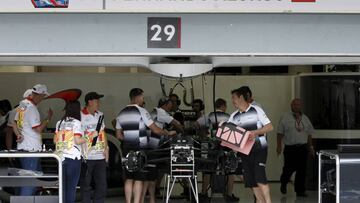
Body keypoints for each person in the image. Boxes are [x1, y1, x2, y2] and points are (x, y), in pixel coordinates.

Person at [115, 88, 176, 203]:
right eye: (142, 97)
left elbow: (118, 135)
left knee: (128, 178)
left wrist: (128, 139)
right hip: (140, 149)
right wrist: (168, 133)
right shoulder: (142, 111)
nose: (143, 99)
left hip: (126, 149)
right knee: (138, 179)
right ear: (137, 98)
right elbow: (156, 130)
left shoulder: (121, 112)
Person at [227, 86, 273, 203]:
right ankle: (260, 201)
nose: (232, 101)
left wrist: (256, 132)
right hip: (244, 151)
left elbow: (269, 127)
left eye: (234, 98)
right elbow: (229, 136)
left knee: (260, 178)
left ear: (241, 97)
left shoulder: (256, 109)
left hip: (259, 149)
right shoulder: (233, 116)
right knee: (252, 182)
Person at [141, 97, 184, 203]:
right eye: (170, 104)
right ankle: (148, 196)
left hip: (149, 144)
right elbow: (176, 123)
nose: (172, 106)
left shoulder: (154, 111)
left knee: (151, 170)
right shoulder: (161, 113)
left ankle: (150, 195)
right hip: (153, 145)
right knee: (151, 171)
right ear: (165, 105)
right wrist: (184, 131)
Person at [14, 84, 53, 196]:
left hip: (23, 148)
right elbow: (39, 129)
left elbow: (14, 123)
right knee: (29, 182)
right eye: (43, 96)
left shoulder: (22, 105)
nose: (43, 99)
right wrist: (48, 118)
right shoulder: (32, 109)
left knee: (33, 179)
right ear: (40, 95)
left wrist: (18, 135)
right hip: (31, 150)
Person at [277, 98, 315, 197]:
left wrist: (310, 147)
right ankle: (284, 182)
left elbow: (309, 134)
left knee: (302, 170)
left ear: (300, 106)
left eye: (298, 105)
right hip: (290, 148)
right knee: (288, 169)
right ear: (291, 105)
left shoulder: (305, 118)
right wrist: (279, 146)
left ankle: (300, 190)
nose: (297, 106)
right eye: (295, 104)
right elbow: (279, 133)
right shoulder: (285, 117)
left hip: (302, 148)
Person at [54, 101, 87, 203]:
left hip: (60, 158)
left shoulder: (59, 123)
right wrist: (89, 136)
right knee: (71, 188)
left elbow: (55, 140)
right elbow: (78, 141)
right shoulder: (76, 123)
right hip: (73, 158)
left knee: (63, 188)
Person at [80, 92, 108, 203]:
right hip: (87, 156)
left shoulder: (100, 114)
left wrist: (106, 148)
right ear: (89, 102)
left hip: (100, 155)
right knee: (85, 185)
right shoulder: (80, 115)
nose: (99, 103)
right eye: (97, 100)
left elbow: (103, 132)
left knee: (102, 185)